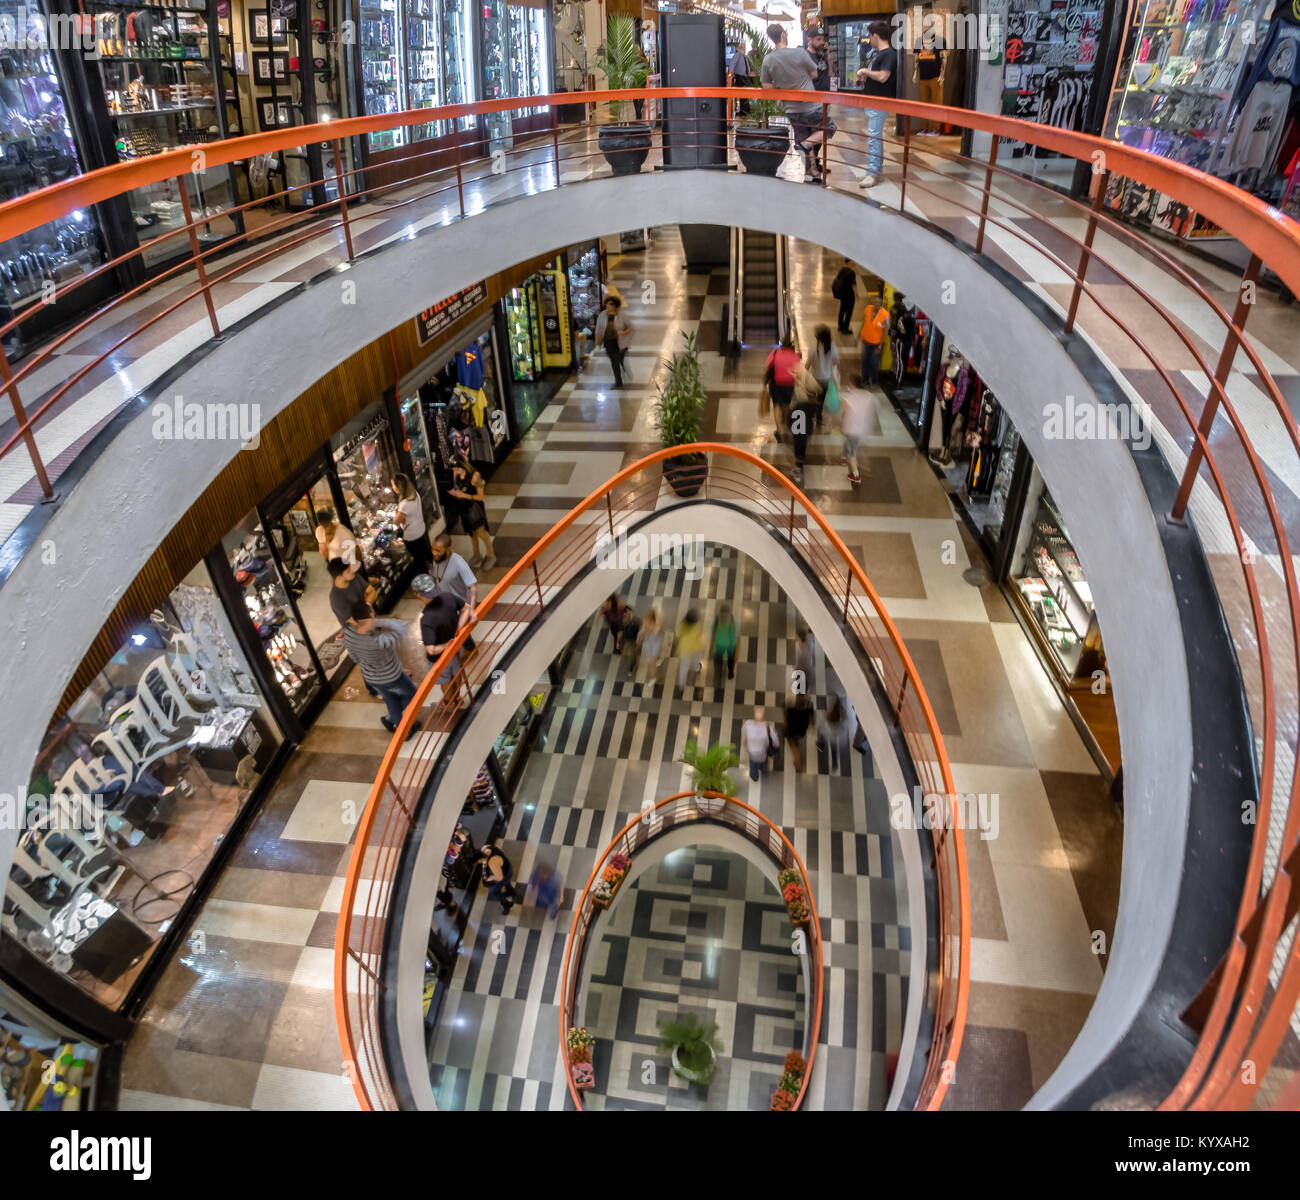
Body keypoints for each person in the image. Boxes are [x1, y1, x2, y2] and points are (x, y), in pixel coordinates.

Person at [760, 22, 833, 183]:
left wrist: (782, 86)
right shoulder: (799, 53)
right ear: (784, 35)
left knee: (804, 138)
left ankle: (812, 172)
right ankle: (806, 145)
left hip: (791, 108)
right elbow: (814, 74)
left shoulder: (768, 59)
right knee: (829, 128)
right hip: (811, 105)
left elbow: (766, 86)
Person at [342, 601, 419, 736]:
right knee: (413, 693)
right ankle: (403, 730)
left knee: (391, 700)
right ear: (370, 615)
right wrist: (377, 622)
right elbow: (403, 627)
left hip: (371, 677)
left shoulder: (348, 632)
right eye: (372, 609)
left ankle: (391, 720)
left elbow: (354, 657)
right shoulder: (379, 641)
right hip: (393, 676)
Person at [414, 573, 472, 692]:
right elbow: (466, 608)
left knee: (445, 680)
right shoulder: (448, 596)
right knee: (456, 672)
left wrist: (446, 645)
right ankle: (458, 697)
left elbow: (431, 650)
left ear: (418, 595)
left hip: (440, 658)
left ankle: (449, 704)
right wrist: (459, 627)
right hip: (456, 647)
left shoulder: (427, 620)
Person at [855, 21, 896, 189]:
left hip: (879, 101)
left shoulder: (888, 54)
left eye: (870, 35)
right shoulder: (878, 53)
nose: (869, 39)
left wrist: (865, 72)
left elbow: (883, 76)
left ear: (875, 36)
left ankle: (871, 173)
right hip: (873, 100)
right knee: (875, 136)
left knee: (873, 137)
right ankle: (875, 169)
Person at [449, 453, 495, 569]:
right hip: (463, 509)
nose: (455, 471)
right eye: (453, 469)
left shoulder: (475, 475)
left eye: (456, 468)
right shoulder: (456, 473)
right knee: (471, 533)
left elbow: (480, 497)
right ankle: (476, 554)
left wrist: (464, 495)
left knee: (481, 533)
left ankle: (491, 555)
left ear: (462, 465)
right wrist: (455, 492)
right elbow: (456, 486)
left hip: (475, 508)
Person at [804, 24, 835, 177]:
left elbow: (830, 73)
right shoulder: (806, 56)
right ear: (810, 40)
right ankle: (810, 166)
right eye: (818, 39)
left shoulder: (821, 55)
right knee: (815, 133)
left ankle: (816, 163)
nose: (822, 42)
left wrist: (828, 55)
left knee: (821, 133)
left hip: (825, 98)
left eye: (823, 39)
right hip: (812, 100)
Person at [426, 533, 480, 615]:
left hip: (458, 609)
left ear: (448, 549)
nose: (434, 553)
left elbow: (473, 588)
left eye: (438, 550)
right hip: (444, 606)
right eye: (432, 549)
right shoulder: (437, 559)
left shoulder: (458, 562)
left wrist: (470, 611)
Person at [765, 332, 802, 441]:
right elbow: (798, 373)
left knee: (776, 406)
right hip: (789, 385)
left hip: (776, 384)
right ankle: (787, 422)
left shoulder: (775, 353)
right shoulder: (795, 357)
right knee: (786, 405)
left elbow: (767, 368)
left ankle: (779, 431)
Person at [391, 474, 432, 569]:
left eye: (393, 485)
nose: (392, 487)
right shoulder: (414, 493)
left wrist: (396, 514)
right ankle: (437, 570)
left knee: (419, 560)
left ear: (398, 488)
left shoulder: (404, 504)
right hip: (421, 529)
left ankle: (426, 577)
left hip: (412, 536)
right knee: (427, 552)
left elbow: (396, 522)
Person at [592, 295, 632, 389]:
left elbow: (630, 327)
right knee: (615, 361)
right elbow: (598, 330)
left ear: (615, 306)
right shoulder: (602, 315)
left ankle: (621, 376)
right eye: (607, 303)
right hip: (608, 342)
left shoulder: (622, 315)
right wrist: (597, 344)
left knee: (616, 361)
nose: (607, 305)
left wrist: (624, 332)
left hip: (620, 343)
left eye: (610, 304)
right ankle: (620, 377)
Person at [840, 378, 874, 486]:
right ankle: (844, 454)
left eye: (849, 385)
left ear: (853, 385)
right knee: (849, 445)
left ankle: (856, 476)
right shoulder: (867, 395)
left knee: (852, 453)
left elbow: (843, 412)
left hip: (851, 429)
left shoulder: (848, 398)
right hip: (860, 429)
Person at [806, 324, 839, 429]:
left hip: (815, 378)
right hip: (826, 378)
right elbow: (836, 361)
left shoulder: (813, 348)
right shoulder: (833, 347)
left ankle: (814, 415)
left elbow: (808, 364)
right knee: (822, 398)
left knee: (814, 398)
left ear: (818, 337)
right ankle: (819, 417)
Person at [327, 557, 376, 628]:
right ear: (339, 577)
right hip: (357, 631)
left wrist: (367, 605)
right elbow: (354, 622)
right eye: (348, 571)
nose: (352, 571)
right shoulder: (336, 598)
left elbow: (372, 592)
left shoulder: (354, 576)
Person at [817, 693, 854, 773]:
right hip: (835, 737)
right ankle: (834, 765)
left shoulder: (829, 716)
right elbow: (847, 723)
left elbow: (823, 724)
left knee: (822, 738)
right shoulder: (843, 716)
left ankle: (820, 745)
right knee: (834, 751)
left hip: (828, 734)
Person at [859, 293, 890, 388]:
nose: (876, 304)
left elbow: (885, 332)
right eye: (875, 301)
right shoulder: (868, 309)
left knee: (874, 363)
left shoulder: (885, 315)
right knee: (865, 361)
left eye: (878, 302)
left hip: (876, 344)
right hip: (866, 341)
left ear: (881, 304)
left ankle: (875, 382)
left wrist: (880, 346)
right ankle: (865, 381)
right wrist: (860, 334)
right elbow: (864, 322)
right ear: (872, 302)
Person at [480, 841, 519, 914]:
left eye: (480, 861)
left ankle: (507, 904)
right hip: (507, 868)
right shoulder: (485, 848)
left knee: (494, 891)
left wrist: (489, 878)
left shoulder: (492, 862)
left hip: (504, 875)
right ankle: (511, 891)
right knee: (507, 882)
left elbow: (499, 878)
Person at [740, 705, 776, 782]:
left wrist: (745, 745)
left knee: (753, 766)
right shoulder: (767, 728)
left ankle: (755, 777)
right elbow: (775, 742)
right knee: (764, 766)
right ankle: (764, 776)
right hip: (763, 754)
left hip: (752, 753)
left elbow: (744, 739)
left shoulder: (748, 724)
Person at [674, 608, 706, 693]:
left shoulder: (683, 625)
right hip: (696, 648)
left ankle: (681, 685)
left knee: (683, 667)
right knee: (696, 661)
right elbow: (701, 634)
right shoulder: (699, 625)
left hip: (685, 649)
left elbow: (677, 634)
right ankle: (697, 668)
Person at [784, 693, 813, 772]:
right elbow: (811, 722)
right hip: (801, 732)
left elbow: (786, 719)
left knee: (794, 749)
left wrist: (786, 726)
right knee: (796, 744)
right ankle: (797, 760)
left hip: (791, 732)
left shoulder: (790, 709)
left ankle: (798, 763)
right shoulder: (808, 710)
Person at [636, 609, 668, 679]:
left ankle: (654, 676)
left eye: (649, 621)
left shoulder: (657, 627)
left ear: (653, 621)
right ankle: (659, 659)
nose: (646, 623)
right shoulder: (645, 625)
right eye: (646, 620)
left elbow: (659, 630)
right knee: (652, 660)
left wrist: (649, 630)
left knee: (652, 662)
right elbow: (641, 636)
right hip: (648, 645)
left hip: (655, 645)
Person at [710, 603, 738, 682]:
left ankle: (729, 672)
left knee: (729, 660)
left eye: (726, 614)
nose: (724, 616)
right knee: (719, 660)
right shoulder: (718, 619)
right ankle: (721, 672)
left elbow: (734, 634)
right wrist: (711, 647)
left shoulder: (729, 620)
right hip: (721, 645)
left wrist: (735, 648)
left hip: (729, 645)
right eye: (723, 613)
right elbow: (714, 633)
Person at [727, 38, 753, 117]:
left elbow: (747, 66)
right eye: (742, 46)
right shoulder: (737, 55)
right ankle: (743, 111)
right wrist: (731, 73)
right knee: (742, 94)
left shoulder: (744, 56)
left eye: (744, 46)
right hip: (740, 77)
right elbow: (732, 64)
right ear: (739, 48)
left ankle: (746, 110)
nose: (743, 48)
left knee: (746, 94)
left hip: (746, 77)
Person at [832, 259, 858, 335]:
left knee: (842, 310)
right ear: (849, 262)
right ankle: (845, 329)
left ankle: (840, 326)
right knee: (849, 312)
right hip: (850, 295)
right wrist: (857, 295)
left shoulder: (842, 270)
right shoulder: (852, 272)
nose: (855, 262)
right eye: (853, 261)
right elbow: (854, 285)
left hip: (843, 294)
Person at [794, 625, 817, 694]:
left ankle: (802, 690)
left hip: (806, 667)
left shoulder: (800, 645)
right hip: (803, 667)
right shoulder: (802, 644)